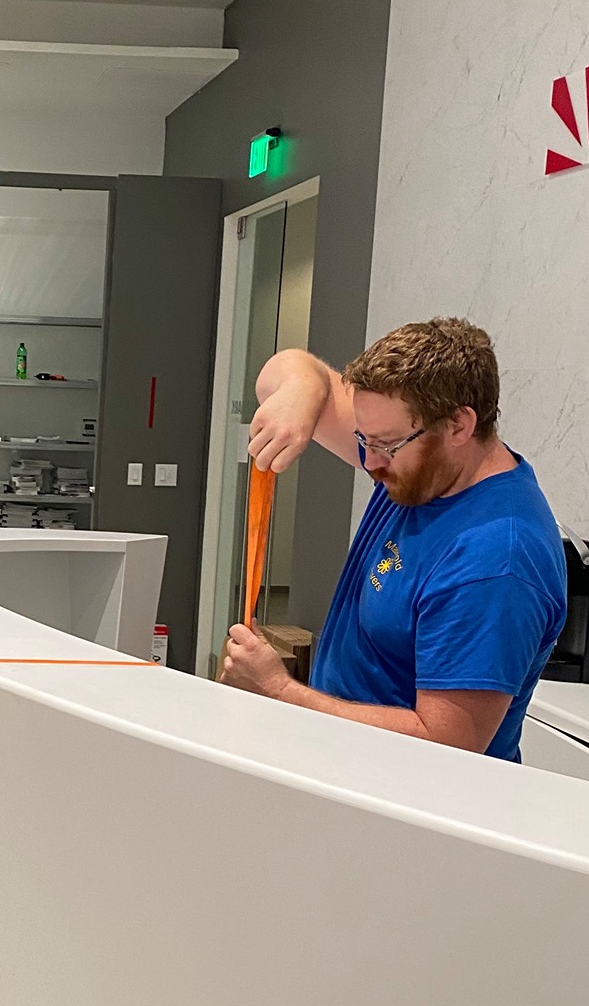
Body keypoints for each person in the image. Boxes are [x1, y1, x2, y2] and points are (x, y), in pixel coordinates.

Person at [219, 318, 566, 761]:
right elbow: (286, 369)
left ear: (459, 425)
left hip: (410, 796)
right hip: (347, 768)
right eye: (363, 439)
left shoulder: (495, 561)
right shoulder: (425, 466)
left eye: (385, 444)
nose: (370, 462)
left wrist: (279, 690)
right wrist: (301, 393)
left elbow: (448, 745)